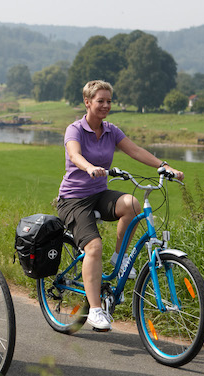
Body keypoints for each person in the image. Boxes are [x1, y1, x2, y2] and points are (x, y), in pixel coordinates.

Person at [56, 80, 184, 332]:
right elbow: (74, 154)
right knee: (93, 246)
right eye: (100, 101)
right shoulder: (75, 129)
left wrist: (164, 166)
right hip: (73, 199)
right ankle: (94, 310)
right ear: (88, 102)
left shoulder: (111, 130)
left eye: (109, 101)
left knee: (132, 204)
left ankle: (120, 257)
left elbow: (135, 150)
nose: (105, 105)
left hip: (98, 193)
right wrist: (89, 167)